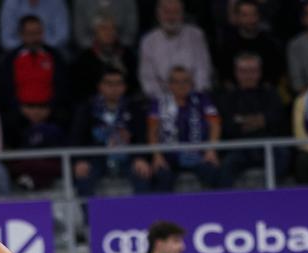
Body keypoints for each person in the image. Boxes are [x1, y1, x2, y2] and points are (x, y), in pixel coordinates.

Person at [69, 69, 152, 198]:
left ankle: (143, 217)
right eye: (109, 84)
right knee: (83, 178)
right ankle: (90, 218)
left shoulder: (134, 108)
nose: (114, 88)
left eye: (118, 84)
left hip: (128, 155)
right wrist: (80, 160)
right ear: (100, 86)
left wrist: (140, 157)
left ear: (124, 87)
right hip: (96, 156)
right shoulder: (87, 108)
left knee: (143, 174)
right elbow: (77, 136)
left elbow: (142, 136)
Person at [216, 53, 290, 186]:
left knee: (284, 155)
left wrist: (244, 121)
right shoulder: (227, 97)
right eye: (244, 71)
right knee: (226, 165)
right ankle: (226, 205)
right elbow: (229, 126)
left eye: (252, 71)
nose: (248, 76)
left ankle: (275, 200)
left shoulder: (271, 94)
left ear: (259, 72)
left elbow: (276, 120)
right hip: (240, 147)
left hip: (268, 146)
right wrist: (260, 121)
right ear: (236, 73)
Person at [146, 66, 223, 191]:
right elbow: (152, 130)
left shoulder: (202, 99)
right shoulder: (159, 102)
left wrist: (211, 150)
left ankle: (211, 208)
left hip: (199, 154)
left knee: (213, 170)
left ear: (192, 83)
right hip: (169, 156)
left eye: (185, 81)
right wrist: (157, 156)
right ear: (169, 84)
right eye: (176, 81)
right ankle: (164, 210)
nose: (181, 85)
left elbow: (215, 125)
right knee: (161, 175)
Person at [138, 0, 212, 96]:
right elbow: (147, 78)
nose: (171, 17)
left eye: (176, 12)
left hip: (193, 95)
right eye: (167, 12)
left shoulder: (196, 35)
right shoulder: (148, 41)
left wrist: (195, 96)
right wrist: (164, 100)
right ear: (158, 14)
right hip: (161, 99)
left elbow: (203, 71)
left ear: (182, 14)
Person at [217, 1, 284, 89]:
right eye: (245, 15)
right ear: (237, 17)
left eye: (253, 14)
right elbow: (225, 77)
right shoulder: (228, 45)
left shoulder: (269, 44)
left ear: (259, 16)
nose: (250, 19)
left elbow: (274, 75)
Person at [0, 0, 70, 50]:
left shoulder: (56, 2)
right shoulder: (10, 3)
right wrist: (27, 47)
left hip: (52, 51)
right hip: (18, 51)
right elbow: (6, 40)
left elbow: (62, 36)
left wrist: (40, 46)